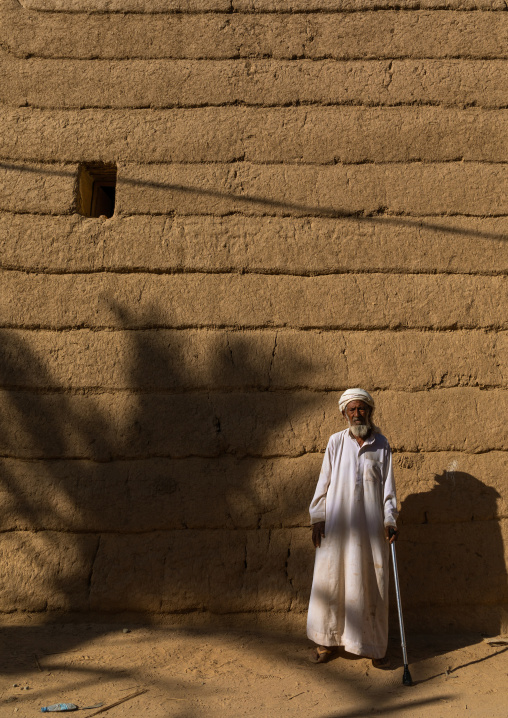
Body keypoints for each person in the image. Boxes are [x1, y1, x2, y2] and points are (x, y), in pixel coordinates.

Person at [307, 388, 398, 667]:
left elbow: (388, 490)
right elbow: (324, 481)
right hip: (337, 527)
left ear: (369, 412)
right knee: (331, 582)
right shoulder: (336, 442)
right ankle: (326, 641)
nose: (357, 414)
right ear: (345, 413)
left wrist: (390, 519)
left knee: (371, 585)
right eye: (352, 409)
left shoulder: (381, 445)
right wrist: (317, 516)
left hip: (371, 531)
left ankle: (372, 645)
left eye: (362, 409)